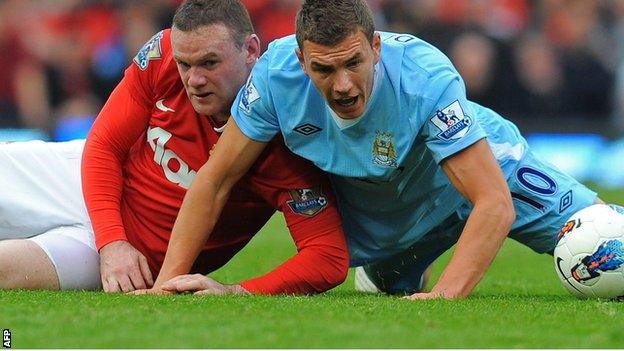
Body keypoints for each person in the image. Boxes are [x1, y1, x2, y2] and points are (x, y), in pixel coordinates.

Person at [154, 0, 615, 300]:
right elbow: (216, 180)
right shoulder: (275, 79)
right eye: (324, 69)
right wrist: (167, 284)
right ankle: (393, 269)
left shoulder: (424, 77)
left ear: (375, 47)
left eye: (354, 62)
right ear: (299, 59)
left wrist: (445, 298)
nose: (344, 85)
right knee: (385, 287)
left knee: (606, 235)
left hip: (485, 171)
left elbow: (493, 202)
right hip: (391, 220)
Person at [0, 0, 349, 295]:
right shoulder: (165, 51)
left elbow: (328, 256)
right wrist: (113, 240)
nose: (194, 80)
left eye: (210, 63)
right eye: (185, 64)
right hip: (84, 184)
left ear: (251, 51)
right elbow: (105, 144)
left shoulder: (283, 139)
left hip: (133, 259)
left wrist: (236, 291)